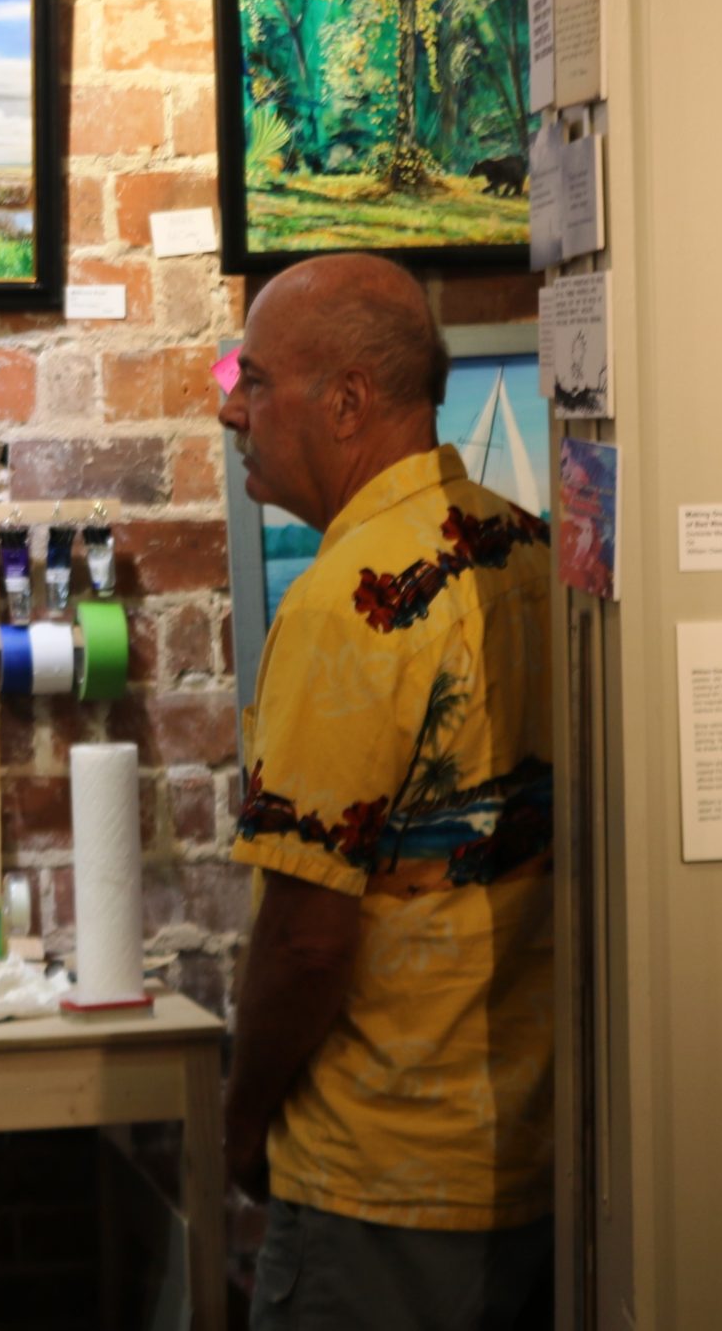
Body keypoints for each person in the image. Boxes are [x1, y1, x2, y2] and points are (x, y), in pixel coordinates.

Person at [219, 254, 556, 1331]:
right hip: (535, 1150)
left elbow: (309, 936)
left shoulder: (340, 602)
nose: (233, 407)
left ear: (348, 401)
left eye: (256, 380)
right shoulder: (526, 547)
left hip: (383, 1170)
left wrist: (238, 1117)